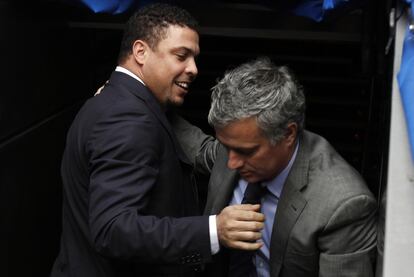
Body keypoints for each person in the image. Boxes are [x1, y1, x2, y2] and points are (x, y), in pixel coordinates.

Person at [50, 4, 265, 277]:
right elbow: (113, 230)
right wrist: (214, 230)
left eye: (194, 58)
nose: (194, 69)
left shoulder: (116, 102)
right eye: (181, 56)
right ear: (140, 52)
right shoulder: (128, 118)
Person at [174, 57, 377, 277]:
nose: (231, 162)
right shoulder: (237, 145)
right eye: (226, 147)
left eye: (246, 151)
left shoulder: (342, 205)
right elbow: (198, 148)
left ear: (288, 134)